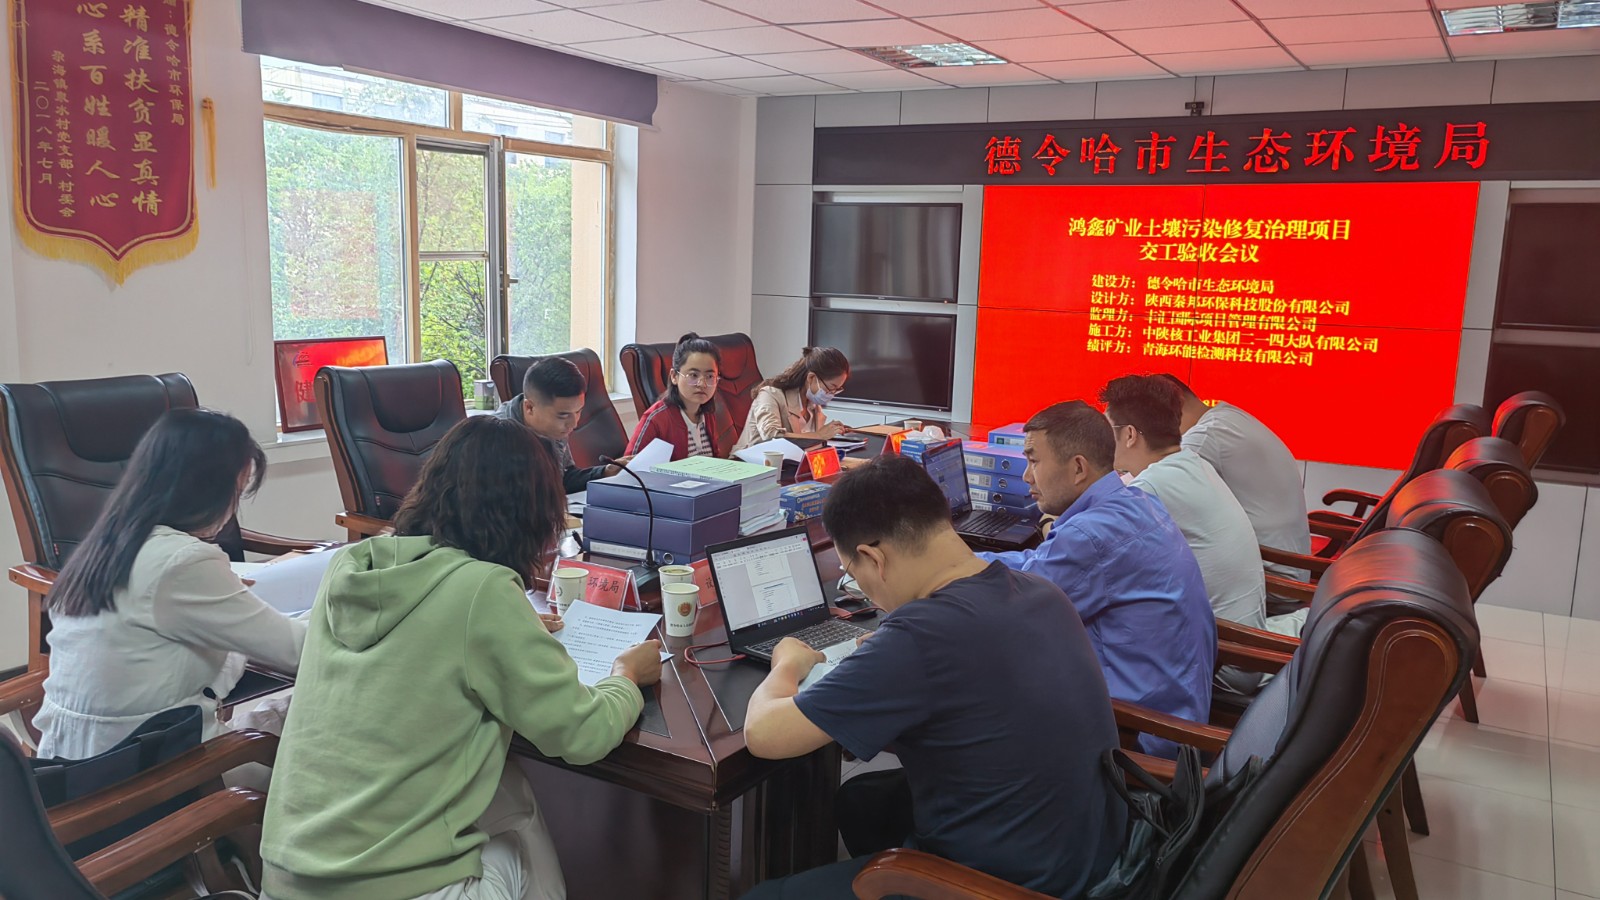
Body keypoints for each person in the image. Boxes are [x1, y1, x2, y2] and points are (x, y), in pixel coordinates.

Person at [260, 416, 662, 900]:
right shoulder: (482, 591)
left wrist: (508, 627)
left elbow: (418, 642)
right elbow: (583, 734)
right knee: (519, 816)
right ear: (532, 513)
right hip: (386, 888)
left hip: (286, 876)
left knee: (499, 785)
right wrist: (625, 676)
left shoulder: (352, 566)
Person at [741, 456, 1126, 899]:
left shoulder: (921, 637)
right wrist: (886, 667)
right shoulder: (1040, 591)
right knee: (863, 801)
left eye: (853, 573)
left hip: (1012, 888)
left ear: (873, 558)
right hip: (1095, 859)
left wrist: (787, 662)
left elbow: (764, 734)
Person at [34, 408, 306, 760]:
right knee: (324, 714)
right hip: (159, 773)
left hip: (74, 766)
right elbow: (297, 652)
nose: (232, 510)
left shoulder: (103, 547)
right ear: (207, 490)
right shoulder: (183, 562)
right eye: (236, 492)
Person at [976, 401, 1215, 757]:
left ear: (1078, 468)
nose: (1026, 477)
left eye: (1033, 461)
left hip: (1135, 737)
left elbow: (1011, 604)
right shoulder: (1136, 502)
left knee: (970, 681)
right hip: (1174, 711)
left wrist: (943, 567)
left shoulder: (1093, 535)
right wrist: (964, 560)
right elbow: (1036, 566)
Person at [1101, 376, 1286, 693]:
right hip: (1245, 646)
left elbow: (1097, 555)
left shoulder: (1151, 488)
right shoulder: (1191, 464)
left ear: (1129, 435)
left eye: (1107, 431)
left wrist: (1049, 521)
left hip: (1223, 661)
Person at [1158, 374, 1313, 579]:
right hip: (1288, 563)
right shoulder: (1228, 416)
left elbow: (1150, 494)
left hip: (1272, 576)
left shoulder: (1206, 435)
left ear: (1177, 403)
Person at [495, 356, 627, 493]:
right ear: (530, 407)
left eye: (578, 411)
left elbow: (563, 479)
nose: (574, 424)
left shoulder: (554, 428)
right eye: (563, 415)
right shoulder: (495, 439)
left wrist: (605, 472)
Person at [732, 346, 850, 452]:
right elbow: (771, 436)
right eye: (831, 388)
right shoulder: (770, 394)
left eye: (837, 389)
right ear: (811, 378)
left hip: (790, 464)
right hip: (752, 464)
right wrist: (819, 435)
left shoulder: (813, 405)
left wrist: (830, 432)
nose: (831, 394)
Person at [626, 332, 722, 461]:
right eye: (693, 375)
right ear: (674, 377)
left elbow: (715, 460)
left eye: (710, 376)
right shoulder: (656, 420)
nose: (702, 384)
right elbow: (628, 467)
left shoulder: (707, 413)